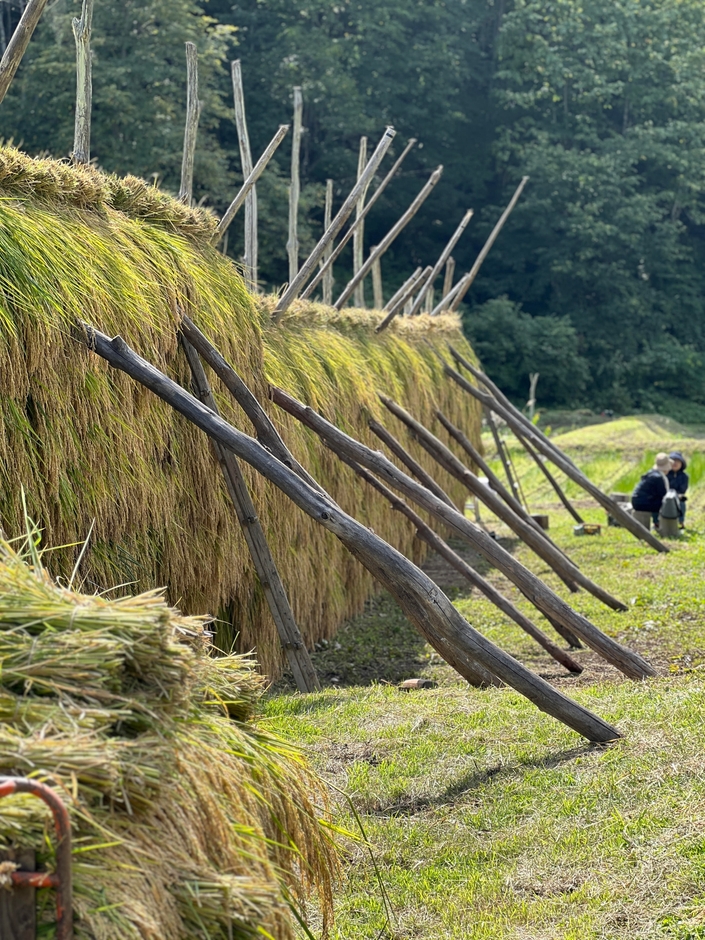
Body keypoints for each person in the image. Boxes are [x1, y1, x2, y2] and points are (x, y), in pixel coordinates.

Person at [631, 453, 672, 529]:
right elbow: (663, 495)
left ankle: (657, 522)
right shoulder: (659, 478)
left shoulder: (651, 473)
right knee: (666, 504)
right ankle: (659, 524)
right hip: (643, 504)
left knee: (658, 501)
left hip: (636, 501)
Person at [668, 450, 689, 528]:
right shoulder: (665, 474)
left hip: (678, 496)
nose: (675, 463)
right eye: (673, 461)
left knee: (681, 502)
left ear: (682, 464)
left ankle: (680, 521)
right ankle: (657, 522)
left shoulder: (684, 476)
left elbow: (683, 489)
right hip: (664, 495)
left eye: (678, 461)